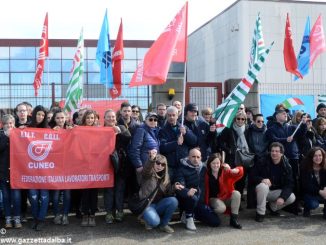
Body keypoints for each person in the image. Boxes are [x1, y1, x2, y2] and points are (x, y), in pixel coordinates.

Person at [266, 108, 307, 214]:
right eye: (283, 113)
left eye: (286, 114)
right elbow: (272, 140)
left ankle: (294, 204)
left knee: (295, 180)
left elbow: (302, 134)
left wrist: (303, 124)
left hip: (293, 157)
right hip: (281, 158)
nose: (286, 115)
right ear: (276, 116)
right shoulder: (271, 129)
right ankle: (279, 202)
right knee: (283, 181)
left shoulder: (291, 127)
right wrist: (285, 140)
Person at [175, 148, 221, 231]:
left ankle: (193, 215)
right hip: (188, 201)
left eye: (198, 157)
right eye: (193, 157)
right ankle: (188, 216)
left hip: (200, 203)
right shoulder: (181, 169)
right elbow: (179, 186)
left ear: (201, 158)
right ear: (188, 157)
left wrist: (225, 166)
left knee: (215, 222)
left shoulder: (203, 168)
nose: (196, 159)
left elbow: (215, 167)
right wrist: (187, 191)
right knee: (192, 197)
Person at [250, 142, 296, 222]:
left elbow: (289, 184)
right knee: (263, 186)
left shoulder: (287, 166)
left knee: (291, 197)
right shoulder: (262, 161)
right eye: (272, 151)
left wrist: (282, 197)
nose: (274, 153)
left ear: (281, 153)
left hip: (275, 191)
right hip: (260, 191)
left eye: (277, 151)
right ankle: (260, 213)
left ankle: (272, 207)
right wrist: (262, 180)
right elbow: (252, 176)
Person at [140, 153, 180, 233]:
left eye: (163, 165)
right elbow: (146, 170)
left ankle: (164, 224)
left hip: (158, 205)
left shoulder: (165, 178)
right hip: (147, 205)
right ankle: (147, 218)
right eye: (157, 163)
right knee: (155, 222)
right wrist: (152, 159)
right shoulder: (148, 174)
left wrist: (174, 188)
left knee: (173, 200)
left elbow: (168, 194)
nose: (160, 166)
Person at [103, 109, 131, 224]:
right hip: (105, 165)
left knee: (119, 189)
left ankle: (120, 211)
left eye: (113, 117)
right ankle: (109, 213)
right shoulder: (100, 130)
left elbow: (128, 137)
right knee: (108, 190)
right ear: (104, 119)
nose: (111, 119)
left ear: (116, 118)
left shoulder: (121, 127)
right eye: (108, 117)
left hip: (121, 165)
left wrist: (119, 130)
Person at [215, 110, 251, 195]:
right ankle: (231, 196)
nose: (240, 121)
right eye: (238, 119)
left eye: (243, 119)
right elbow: (220, 141)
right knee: (232, 177)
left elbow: (250, 142)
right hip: (232, 157)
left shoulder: (247, 129)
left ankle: (240, 197)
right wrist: (229, 149)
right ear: (235, 119)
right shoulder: (229, 129)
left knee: (242, 178)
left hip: (244, 157)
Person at [204, 153, 243, 229]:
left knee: (236, 194)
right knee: (221, 209)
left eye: (218, 163)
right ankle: (209, 214)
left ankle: (233, 220)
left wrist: (234, 170)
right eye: (213, 163)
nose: (216, 165)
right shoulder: (206, 174)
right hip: (213, 199)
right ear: (209, 164)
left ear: (220, 163)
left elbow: (240, 172)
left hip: (224, 196)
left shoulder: (224, 171)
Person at [158, 106, 197, 181]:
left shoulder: (184, 127)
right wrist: (176, 143)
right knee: (169, 187)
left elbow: (194, 141)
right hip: (170, 165)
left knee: (181, 186)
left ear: (177, 115)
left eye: (173, 115)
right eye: (169, 115)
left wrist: (186, 133)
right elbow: (162, 147)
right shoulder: (162, 130)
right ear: (166, 115)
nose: (171, 117)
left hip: (183, 164)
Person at [48, 109, 72, 225]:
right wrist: (52, 133)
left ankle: (66, 215)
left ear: (66, 118)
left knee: (67, 193)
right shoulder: (50, 131)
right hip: (55, 167)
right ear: (54, 119)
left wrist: (73, 132)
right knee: (56, 194)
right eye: (58, 118)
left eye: (62, 118)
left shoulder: (71, 130)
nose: (60, 120)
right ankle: (57, 214)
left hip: (68, 166)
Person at [28, 105, 50, 231]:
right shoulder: (26, 129)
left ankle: (41, 219)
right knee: (33, 196)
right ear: (34, 114)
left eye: (43, 115)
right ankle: (35, 217)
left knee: (44, 196)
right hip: (30, 170)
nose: (40, 117)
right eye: (38, 114)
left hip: (45, 171)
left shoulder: (48, 129)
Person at [0, 114, 22, 229]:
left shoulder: (19, 135)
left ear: (14, 124)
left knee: (16, 197)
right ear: (2, 125)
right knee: (6, 197)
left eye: (11, 123)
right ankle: (8, 218)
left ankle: (17, 217)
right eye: (7, 123)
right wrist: (6, 137)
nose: (9, 125)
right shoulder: (1, 135)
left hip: (16, 174)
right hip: (3, 174)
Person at [128, 112, 160, 183]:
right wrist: (138, 165)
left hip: (153, 165)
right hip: (144, 166)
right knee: (145, 189)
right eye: (150, 119)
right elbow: (134, 149)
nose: (153, 121)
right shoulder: (141, 130)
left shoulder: (156, 131)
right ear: (145, 120)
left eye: (155, 120)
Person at [80, 110, 98, 227]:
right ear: (84, 119)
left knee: (94, 192)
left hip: (96, 166)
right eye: (88, 118)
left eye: (92, 118)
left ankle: (92, 215)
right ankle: (85, 214)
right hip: (83, 165)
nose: (90, 120)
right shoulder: (79, 130)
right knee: (85, 192)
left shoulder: (99, 131)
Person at [300, 147, 326, 218]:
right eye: (315, 156)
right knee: (313, 205)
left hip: (323, 191)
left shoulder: (325, 166)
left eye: (320, 155)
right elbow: (306, 185)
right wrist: (320, 191)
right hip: (310, 193)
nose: (318, 158)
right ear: (311, 157)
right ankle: (306, 207)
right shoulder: (305, 167)